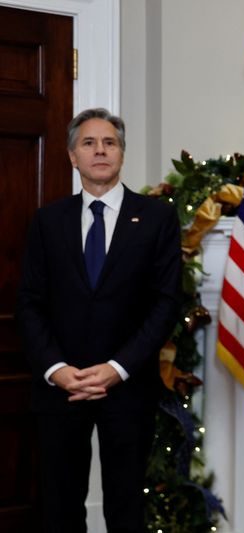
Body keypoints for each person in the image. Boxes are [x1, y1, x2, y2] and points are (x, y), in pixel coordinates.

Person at [16, 108, 182, 532]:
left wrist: (117, 368)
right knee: (60, 509)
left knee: (126, 510)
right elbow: (30, 303)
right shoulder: (47, 221)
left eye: (109, 142)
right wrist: (57, 370)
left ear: (122, 153)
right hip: (61, 391)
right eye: (89, 143)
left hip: (128, 388)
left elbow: (165, 304)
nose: (100, 150)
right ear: (73, 156)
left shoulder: (157, 218)